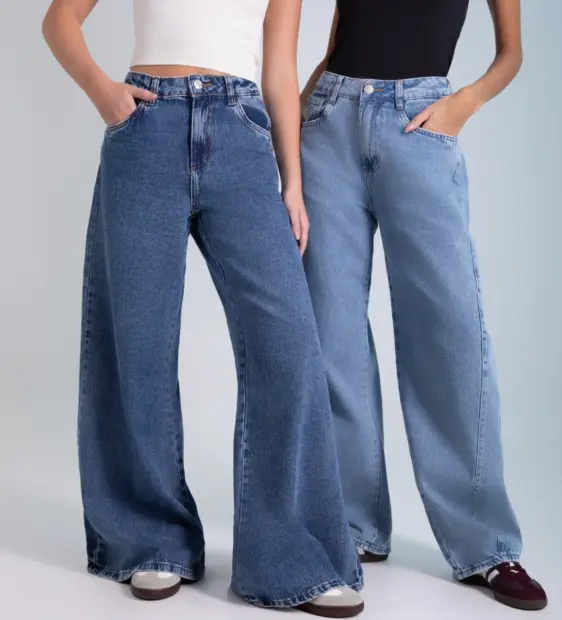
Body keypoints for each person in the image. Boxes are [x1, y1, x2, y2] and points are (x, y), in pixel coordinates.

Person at [42, 0, 365, 615]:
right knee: (137, 341)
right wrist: (105, 94)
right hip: (146, 128)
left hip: (242, 133)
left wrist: (292, 181)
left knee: (288, 345)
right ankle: (152, 540)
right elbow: (58, 20)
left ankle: (289, 554)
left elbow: (279, 71)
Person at [300, 0, 547, 612]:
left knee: (450, 331)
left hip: (420, 120)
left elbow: (511, 54)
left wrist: (464, 103)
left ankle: (485, 544)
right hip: (329, 122)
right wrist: (300, 118)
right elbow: (338, 41)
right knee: (331, 331)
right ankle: (353, 526)